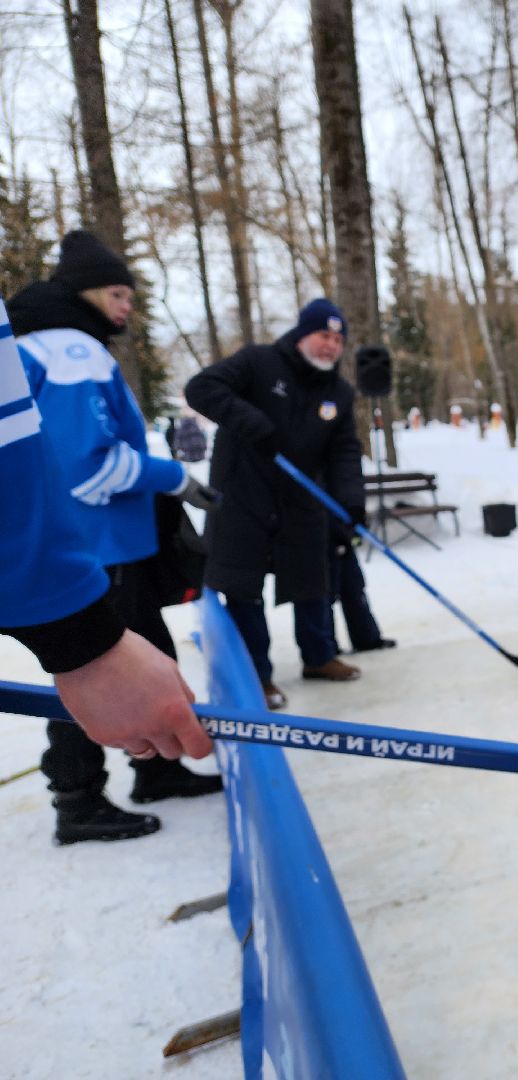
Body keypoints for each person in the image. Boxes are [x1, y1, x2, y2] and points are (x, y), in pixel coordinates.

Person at [9, 231, 224, 843]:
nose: (126, 306)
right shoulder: (73, 351)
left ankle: (157, 768)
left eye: (130, 293)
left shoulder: (39, 345)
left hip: (105, 544)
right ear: (83, 294)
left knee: (144, 657)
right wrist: (174, 476)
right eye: (116, 292)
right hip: (97, 546)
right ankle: (77, 798)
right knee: (99, 670)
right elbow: (90, 466)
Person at [185, 298, 366, 710]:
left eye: (338, 339)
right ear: (303, 334)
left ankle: (319, 657)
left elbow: (344, 452)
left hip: (300, 501)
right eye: (324, 334)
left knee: (312, 581)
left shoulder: (338, 392)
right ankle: (257, 676)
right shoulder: (259, 362)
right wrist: (250, 422)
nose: (331, 345)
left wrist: (351, 502)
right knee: (244, 588)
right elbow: (201, 389)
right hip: (243, 496)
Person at [327, 509, 396, 655]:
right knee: (324, 593)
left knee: (353, 586)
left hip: (347, 523)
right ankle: (325, 650)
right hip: (322, 527)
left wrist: (354, 529)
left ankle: (366, 638)